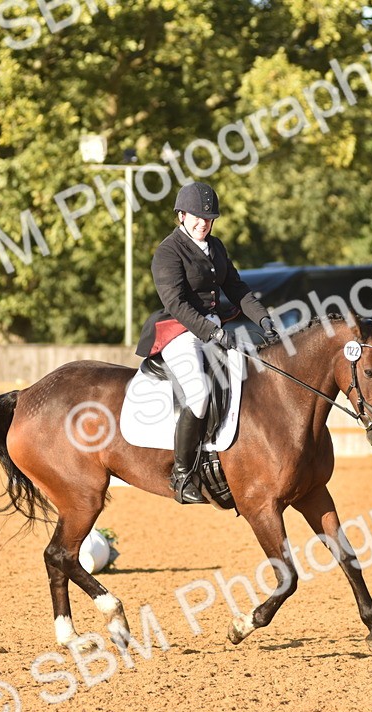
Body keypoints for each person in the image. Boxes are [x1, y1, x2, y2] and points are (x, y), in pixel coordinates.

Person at [134, 182, 278, 504]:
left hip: (215, 327)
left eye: (208, 218)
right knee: (198, 394)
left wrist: (264, 320)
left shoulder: (216, 246)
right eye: (197, 217)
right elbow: (177, 304)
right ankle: (182, 475)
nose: (203, 223)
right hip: (180, 330)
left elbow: (237, 288)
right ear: (181, 215)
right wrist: (213, 334)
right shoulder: (168, 252)